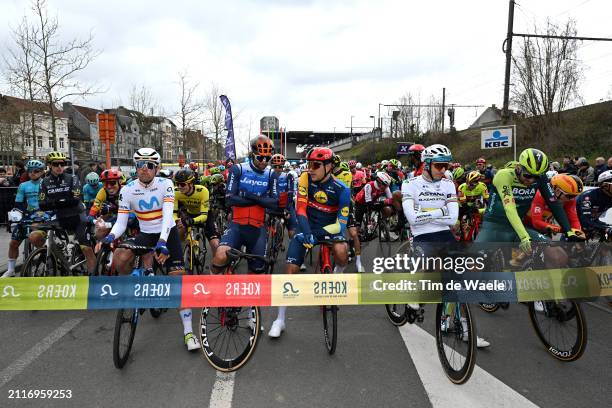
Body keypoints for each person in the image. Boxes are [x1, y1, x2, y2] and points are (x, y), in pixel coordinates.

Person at [98, 148, 200, 351]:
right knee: (119, 258)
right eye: (140, 165)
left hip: (167, 233)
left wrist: (162, 242)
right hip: (145, 234)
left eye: (149, 165)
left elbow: (167, 216)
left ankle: (188, 332)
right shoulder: (127, 189)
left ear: (157, 168)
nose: (144, 169)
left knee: (177, 281)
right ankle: (139, 282)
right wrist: (109, 237)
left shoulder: (166, 184)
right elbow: (121, 223)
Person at [269, 146, 350, 338]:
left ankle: (336, 281)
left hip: (329, 229)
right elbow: (301, 209)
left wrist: (319, 233)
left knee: (341, 251)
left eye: (315, 165)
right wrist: (307, 233)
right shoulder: (304, 178)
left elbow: (341, 225)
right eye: (308, 164)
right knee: (290, 270)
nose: (310, 168)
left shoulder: (342, 190)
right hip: (307, 227)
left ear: (329, 166)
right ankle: (279, 319)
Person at [210, 136, 278, 276]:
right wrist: (261, 200)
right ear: (252, 155)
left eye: (267, 158)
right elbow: (230, 199)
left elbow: (274, 203)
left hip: (258, 228)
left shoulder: (271, 174)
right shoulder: (238, 169)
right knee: (220, 257)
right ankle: (212, 289)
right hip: (236, 225)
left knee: (257, 273)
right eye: (260, 158)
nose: (264, 162)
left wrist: (247, 195)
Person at [38, 151, 96, 274]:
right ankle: (57, 258)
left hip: (77, 217)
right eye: (56, 164)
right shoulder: (44, 182)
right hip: (61, 217)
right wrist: (63, 201)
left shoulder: (72, 178)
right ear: (49, 165)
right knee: (35, 236)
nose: (59, 167)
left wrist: (54, 202)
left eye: (62, 164)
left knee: (85, 247)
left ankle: (94, 278)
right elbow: (42, 205)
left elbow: (75, 200)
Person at [3, 160, 48, 278]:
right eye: (30, 171)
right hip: (28, 215)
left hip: (43, 215)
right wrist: (20, 214)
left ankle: (46, 253)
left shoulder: (46, 183)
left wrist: (44, 214)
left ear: (42, 172)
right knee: (13, 243)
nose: (32, 173)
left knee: (35, 237)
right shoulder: (23, 185)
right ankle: (11, 270)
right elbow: (18, 202)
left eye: (36, 171)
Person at [354, 172, 393, 271]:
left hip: (372, 201)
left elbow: (391, 199)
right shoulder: (369, 185)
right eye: (385, 185)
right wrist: (381, 202)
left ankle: (380, 225)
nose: (387, 187)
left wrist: (386, 203)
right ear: (379, 182)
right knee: (357, 226)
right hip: (360, 202)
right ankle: (356, 240)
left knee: (384, 207)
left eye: (387, 185)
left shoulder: (385, 186)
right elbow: (368, 202)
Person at [576, 170, 612, 238]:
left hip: (592, 220)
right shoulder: (588, 197)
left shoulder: (609, 195)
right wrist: (606, 229)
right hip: (578, 221)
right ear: (605, 186)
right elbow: (585, 221)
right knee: (577, 243)